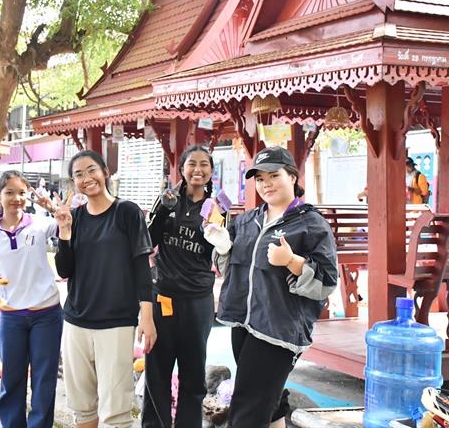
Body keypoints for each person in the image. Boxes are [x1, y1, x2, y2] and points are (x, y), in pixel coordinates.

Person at [208, 146, 338, 427]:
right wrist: (223, 247)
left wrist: (292, 261)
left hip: (279, 329)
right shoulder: (246, 220)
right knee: (271, 401)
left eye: (274, 176)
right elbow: (228, 269)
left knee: (248, 409)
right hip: (243, 325)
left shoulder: (311, 224)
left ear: (292, 177)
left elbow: (327, 282)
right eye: (260, 178)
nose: (266, 184)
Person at [53, 150, 157, 428]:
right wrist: (64, 232)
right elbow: (64, 271)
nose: (86, 178)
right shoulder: (74, 218)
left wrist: (146, 317)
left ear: (105, 172)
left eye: (91, 170)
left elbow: (141, 268)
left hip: (116, 323)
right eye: (78, 174)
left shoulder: (127, 212)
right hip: (76, 321)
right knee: (82, 408)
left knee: (115, 410)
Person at [0, 170, 62, 428]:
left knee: (44, 380)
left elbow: (68, 222)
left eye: (22, 192)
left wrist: (52, 207)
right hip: (11, 316)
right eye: (9, 192)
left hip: (46, 314)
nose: (16, 198)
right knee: (11, 379)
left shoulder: (40, 224)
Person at [142, 145, 218, 428]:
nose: (198, 169)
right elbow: (145, 242)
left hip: (198, 300)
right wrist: (162, 211)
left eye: (205, 165)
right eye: (192, 164)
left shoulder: (216, 208)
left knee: (194, 375)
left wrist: (219, 235)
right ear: (182, 169)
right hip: (164, 297)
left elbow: (220, 253)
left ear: (211, 171)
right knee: (158, 372)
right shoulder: (166, 200)